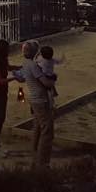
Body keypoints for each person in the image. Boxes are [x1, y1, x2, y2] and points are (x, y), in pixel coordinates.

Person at [13, 39, 56, 168]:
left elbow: (20, 78)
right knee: (47, 131)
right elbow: (46, 83)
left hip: (34, 99)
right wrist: (53, 78)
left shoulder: (26, 64)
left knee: (37, 128)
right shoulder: (33, 65)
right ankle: (43, 162)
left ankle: (36, 156)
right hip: (40, 100)